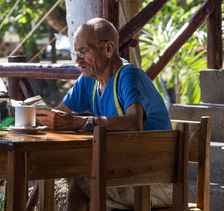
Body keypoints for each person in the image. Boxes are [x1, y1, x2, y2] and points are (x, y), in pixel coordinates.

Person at [36, 18, 172, 210]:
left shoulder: (128, 76)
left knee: (81, 182)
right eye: (76, 52)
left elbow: (134, 123)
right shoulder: (88, 81)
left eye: (83, 51)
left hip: (156, 181)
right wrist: (34, 117)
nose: (77, 60)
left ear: (108, 48)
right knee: (78, 178)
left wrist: (81, 122)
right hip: (127, 174)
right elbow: (57, 116)